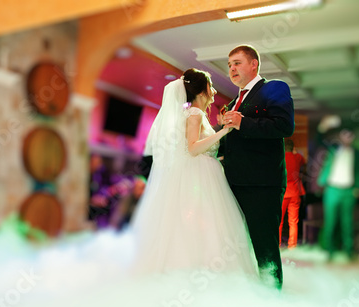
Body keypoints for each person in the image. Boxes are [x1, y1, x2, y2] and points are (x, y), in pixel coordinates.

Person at [131, 68, 257, 276]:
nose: (214, 91)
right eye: (210, 86)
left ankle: (185, 267)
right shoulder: (195, 113)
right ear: (202, 91)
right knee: (205, 223)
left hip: (196, 173)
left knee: (190, 223)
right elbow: (193, 148)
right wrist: (225, 131)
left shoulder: (191, 113)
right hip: (199, 175)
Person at [221, 44, 295, 289]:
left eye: (237, 62)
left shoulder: (274, 88)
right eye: (229, 64)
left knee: (264, 243)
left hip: (262, 184)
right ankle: (249, 293)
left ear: (254, 64)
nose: (232, 68)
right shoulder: (233, 102)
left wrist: (244, 123)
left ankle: (273, 296)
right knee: (236, 241)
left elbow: (284, 126)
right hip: (232, 183)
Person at [317, 128, 359, 261]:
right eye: (344, 136)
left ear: (353, 138)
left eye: (350, 136)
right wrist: (323, 126)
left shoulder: (356, 153)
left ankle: (348, 250)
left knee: (347, 222)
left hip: (349, 190)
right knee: (330, 221)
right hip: (332, 189)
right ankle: (328, 249)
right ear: (340, 137)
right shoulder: (333, 150)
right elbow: (320, 142)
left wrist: (358, 188)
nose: (347, 138)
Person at [279, 139, 306, 249]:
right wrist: (295, 152)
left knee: (279, 221)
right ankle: (292, 245)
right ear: (293, 148)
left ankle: (278, 244)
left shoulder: (280, 158)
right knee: (293, 221)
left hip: (283, 193)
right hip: (295, 193)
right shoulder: (298, 157)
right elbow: (303, 160)